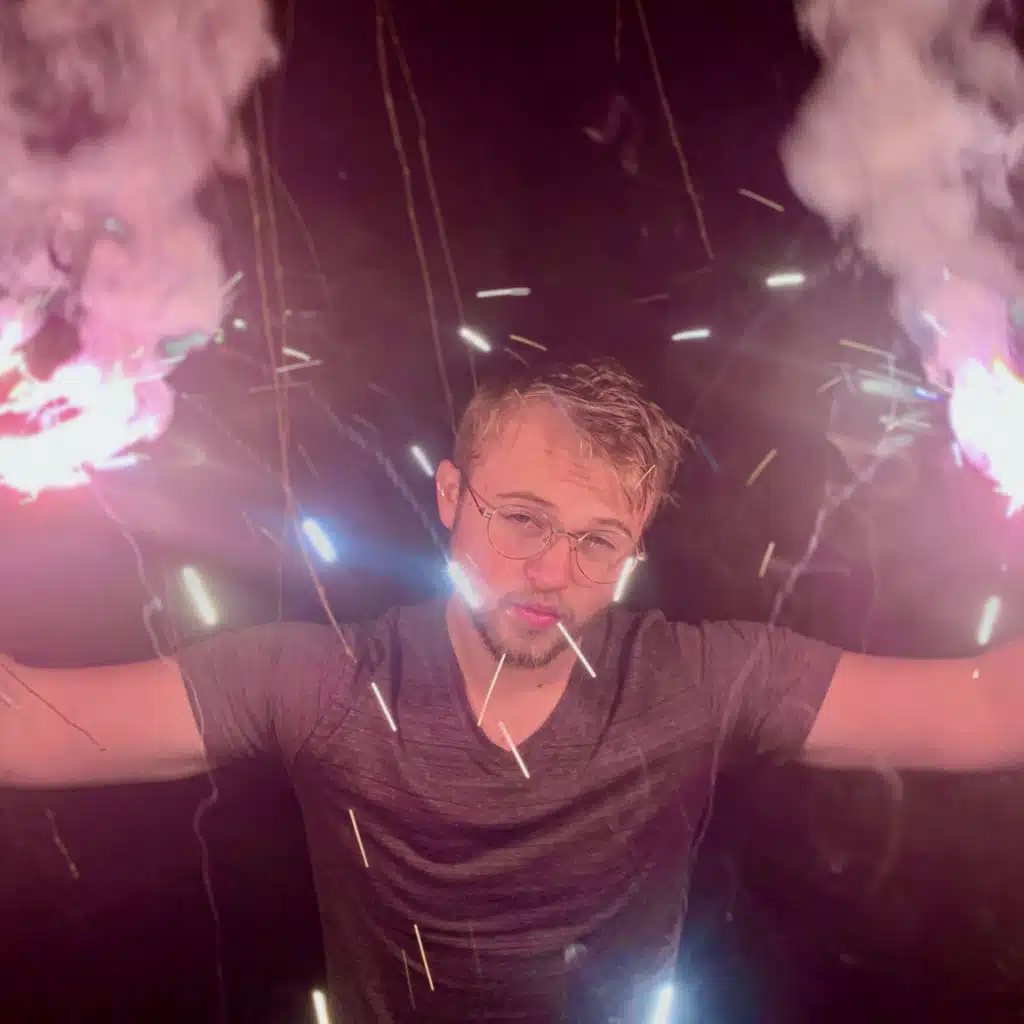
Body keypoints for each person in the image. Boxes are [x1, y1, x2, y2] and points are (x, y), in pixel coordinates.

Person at [0, 359, 1019, 1023]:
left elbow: (991, 709)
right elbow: (29, 731)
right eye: (522, 518)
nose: (552, 570)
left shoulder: (704, 678)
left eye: (597, 541)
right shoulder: (320, 681)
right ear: (451, 495)